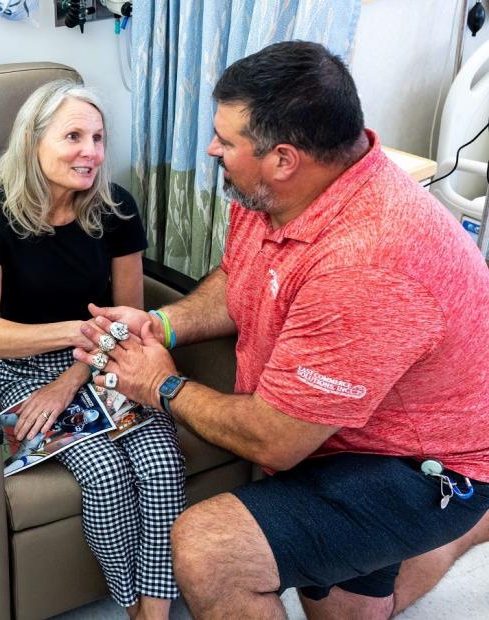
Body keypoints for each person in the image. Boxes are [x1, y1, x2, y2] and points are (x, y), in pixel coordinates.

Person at [73, 40, 489, 619]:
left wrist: (161, 386)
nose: (213, 149)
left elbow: (276, 441)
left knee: (212, 549)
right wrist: (162, 324)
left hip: (421, 463)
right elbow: (241, 278)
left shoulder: (367, 263)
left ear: (284, 158)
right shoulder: (271, 192)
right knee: (352, 609)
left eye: (228, 141)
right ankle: (457, 533)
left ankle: (461, 520)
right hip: (349, 426)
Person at [0, 80, 186, 619]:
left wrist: (73, 376)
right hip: (29, 368)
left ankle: (153, 615)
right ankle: (132, 606)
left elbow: (126, 321)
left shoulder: (116, 209)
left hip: (108, 359)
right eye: (73, 136)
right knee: (105, 477)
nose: (92, 152)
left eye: (98, 137)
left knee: (161, 464)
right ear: (32, 143)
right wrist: (69, 338)